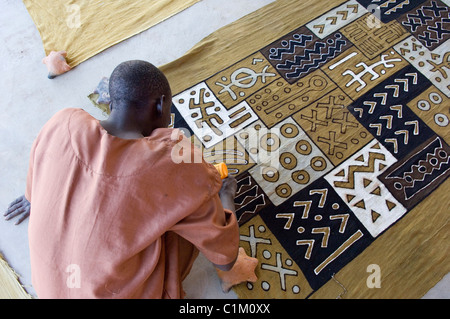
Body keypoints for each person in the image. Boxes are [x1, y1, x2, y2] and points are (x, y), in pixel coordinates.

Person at [3, 60, 240, 299]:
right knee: (190, 212)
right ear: (159, 105)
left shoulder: (63, 121)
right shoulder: (176, 163)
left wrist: (31, 196)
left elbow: (39, 159)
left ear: (111, 100)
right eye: (169, 108)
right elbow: (225, 260)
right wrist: (225, 194)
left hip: (49, 289)